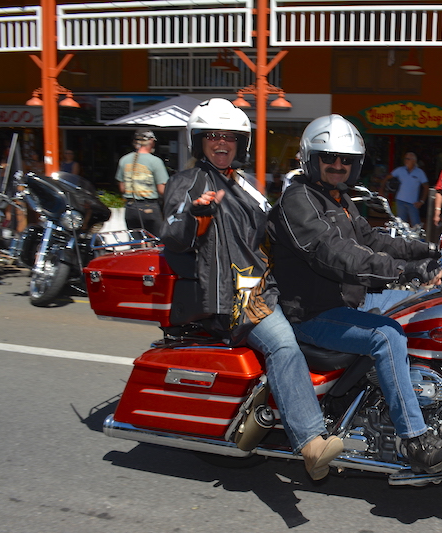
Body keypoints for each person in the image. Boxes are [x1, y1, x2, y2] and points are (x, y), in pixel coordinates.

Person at [268, 114, 442, 474]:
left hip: (352, 300)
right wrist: (404, 271)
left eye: (346, 160)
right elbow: (334, 253)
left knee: (433, 306)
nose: (338, 165)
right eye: (329, 158)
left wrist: (429, 249)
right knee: (387, 337)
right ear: (311, 159)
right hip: (313, 313)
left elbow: (372, 240)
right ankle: (414, 440)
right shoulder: (297, 202)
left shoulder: (339, 199)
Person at [160, 99, 342, 480]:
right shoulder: (189, 182)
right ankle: (311, 443)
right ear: (199, 142)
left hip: (268, 284)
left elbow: (273, 229)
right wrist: (197, 215)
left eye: (229, 137)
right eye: (212, 136)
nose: (221, 143)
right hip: (236, 294)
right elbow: (174, 233)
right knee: (283, 345)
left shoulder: (244, 183)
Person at [115, 129, 170, 236]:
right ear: (151, 142)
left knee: (136, 244)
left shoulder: (124, 160)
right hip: (150, 207)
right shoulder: (155, 161)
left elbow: (122, 188)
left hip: (130, 208)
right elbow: (162, 190)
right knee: (157, 243)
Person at [384, 152, 428, 226]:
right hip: (400, 201)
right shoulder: (400, 170)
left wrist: (422, 201)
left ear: (414, 161)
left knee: (416, 225)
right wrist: (382, 190)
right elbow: (387, 178)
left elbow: (426, 187)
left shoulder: (419, 173)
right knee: (401, 225)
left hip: (413, 203)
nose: (406, 160)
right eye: (405, 159)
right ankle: (402, 238)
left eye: (408, 159)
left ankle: (418, 238)